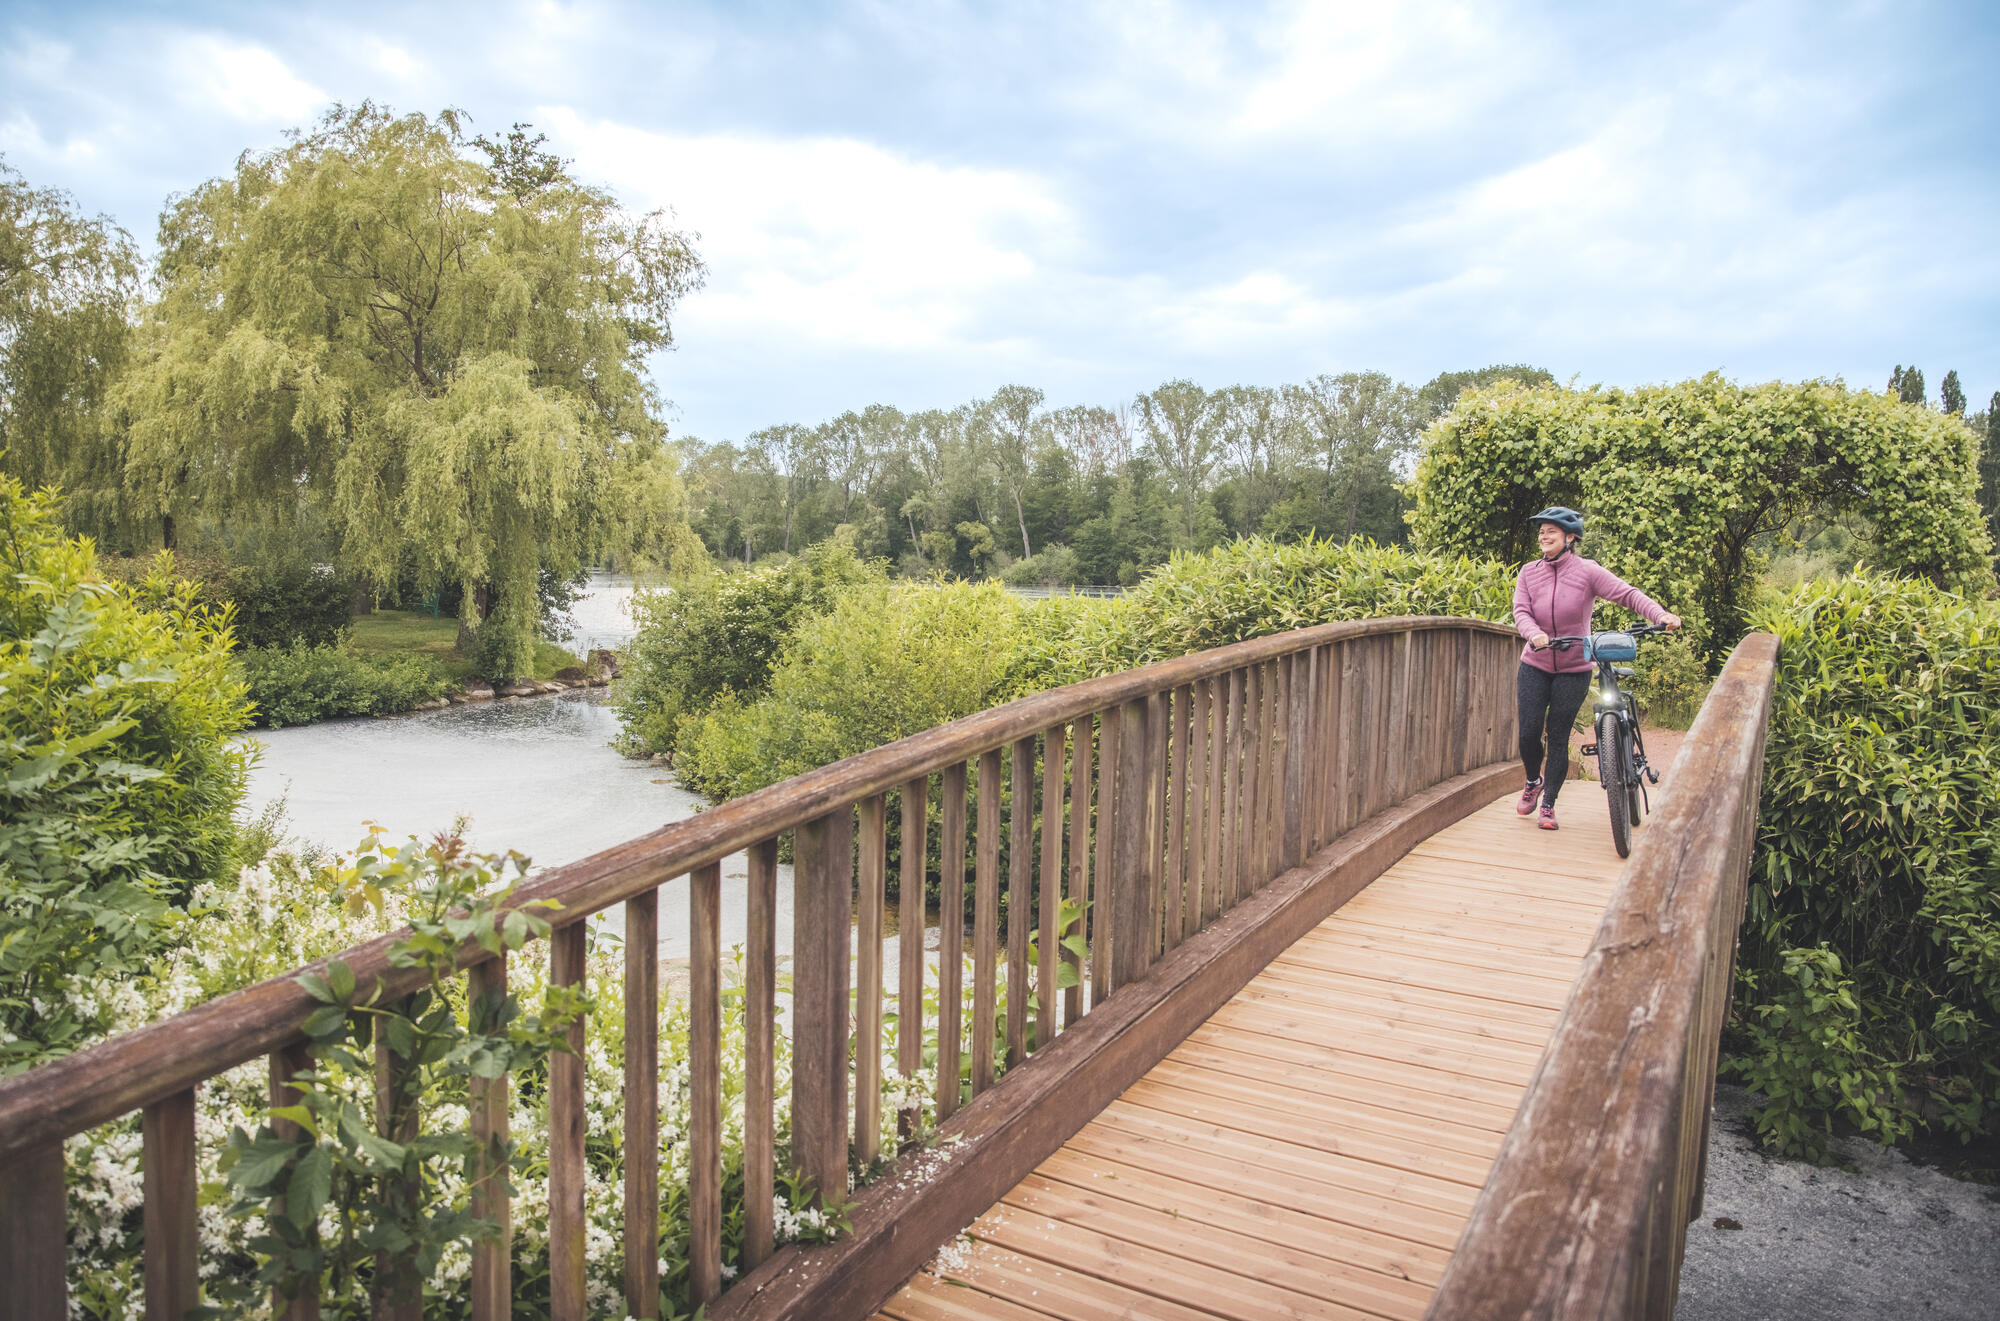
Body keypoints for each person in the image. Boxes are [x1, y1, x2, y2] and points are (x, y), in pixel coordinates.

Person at [1511, 507, 1680, 830]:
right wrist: (1535, 635)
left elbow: (1627, 595)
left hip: (1575, 667)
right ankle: (1534, 780)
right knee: (1529, 733)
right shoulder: (1528, 572)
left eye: (1551, 532)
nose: (1544, 537)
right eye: (1541, 532)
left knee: (1558, 736)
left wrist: (1660, 615)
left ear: (1570, 537)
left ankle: (1548, 806)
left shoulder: (1587, 572)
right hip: (1535, 662)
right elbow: (1521, 611)